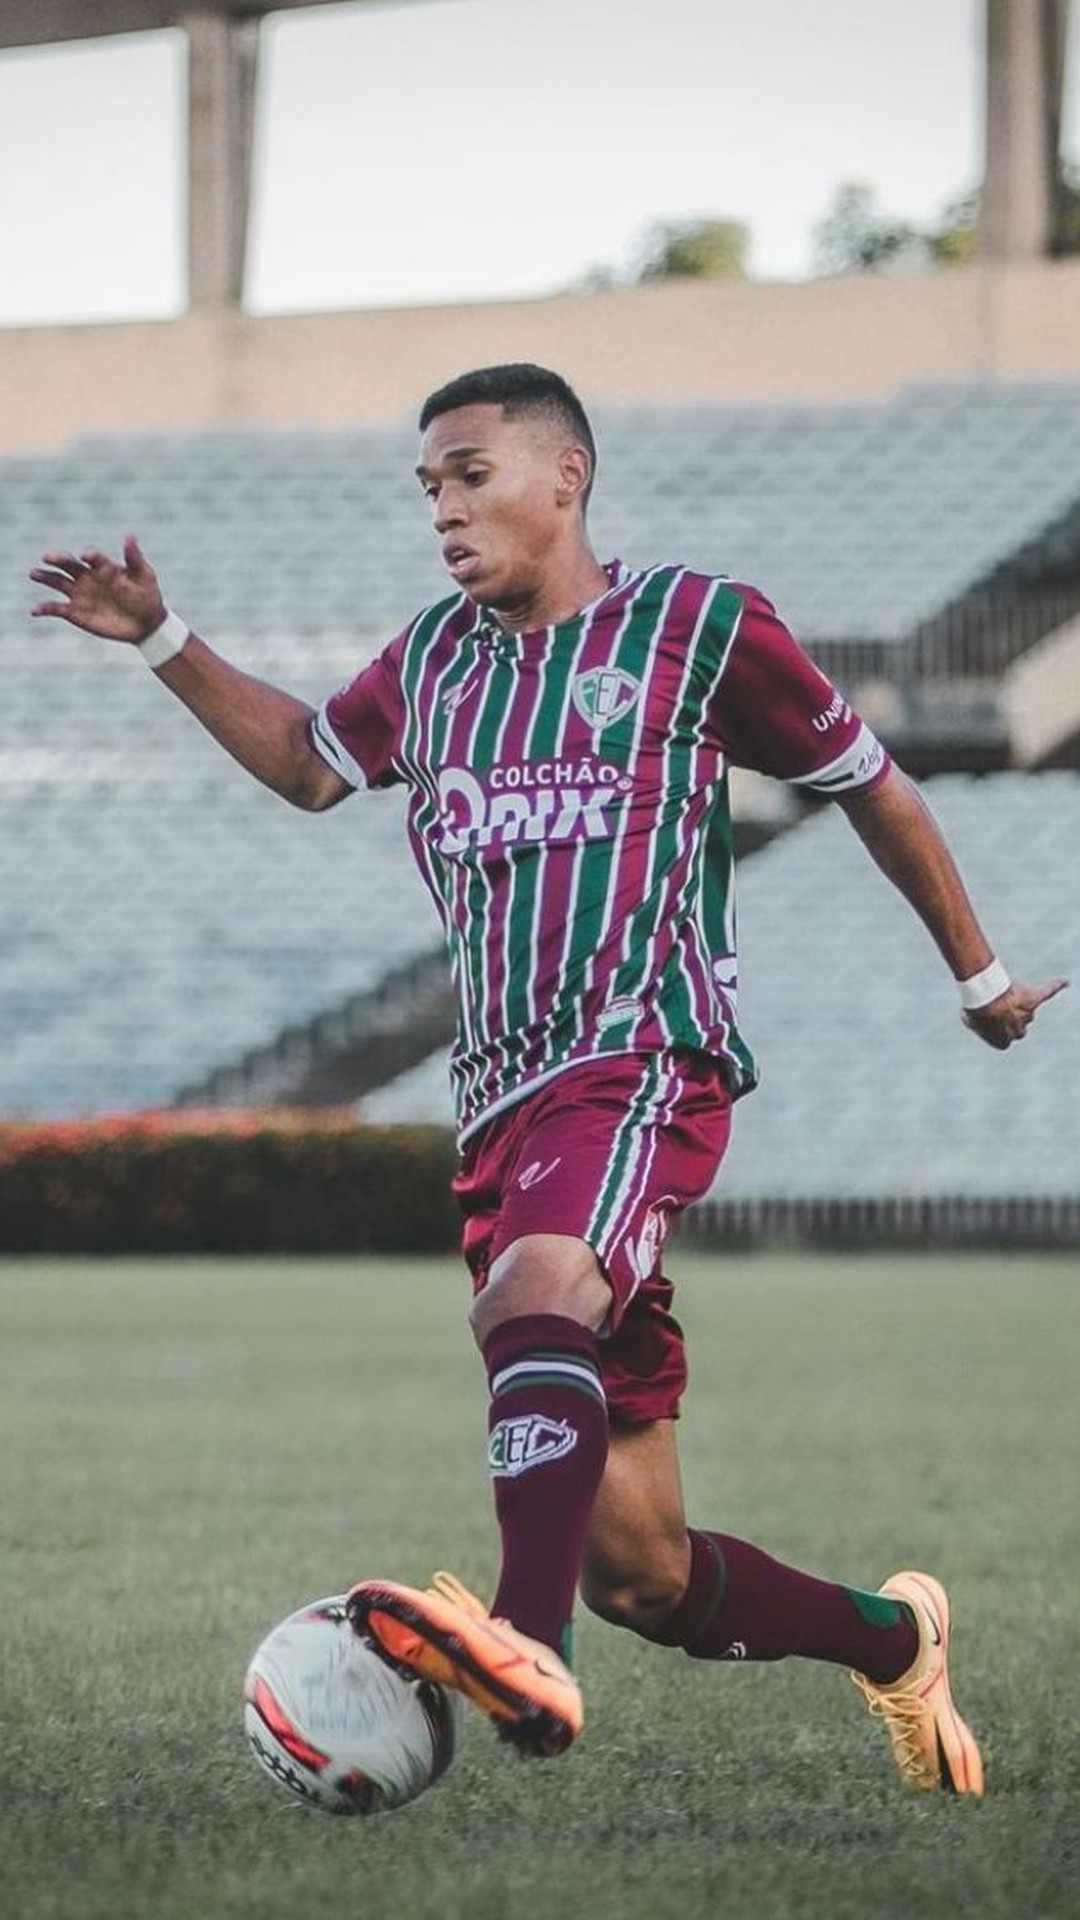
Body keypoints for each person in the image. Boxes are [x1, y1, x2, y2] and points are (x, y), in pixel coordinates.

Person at [31, 362, 1064, 1794]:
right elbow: (311, 766)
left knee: (535, 1296)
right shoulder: (434, 661)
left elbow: (871, 785)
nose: (445, 511)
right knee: (644, 1575)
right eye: (428, 489)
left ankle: (521, 1642)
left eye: (471, 475)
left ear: (565, 477)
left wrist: (978, 977)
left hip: (642, 1058)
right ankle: (893, 1640)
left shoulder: (699, 625)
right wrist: (164, 640)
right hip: (502, 1107)